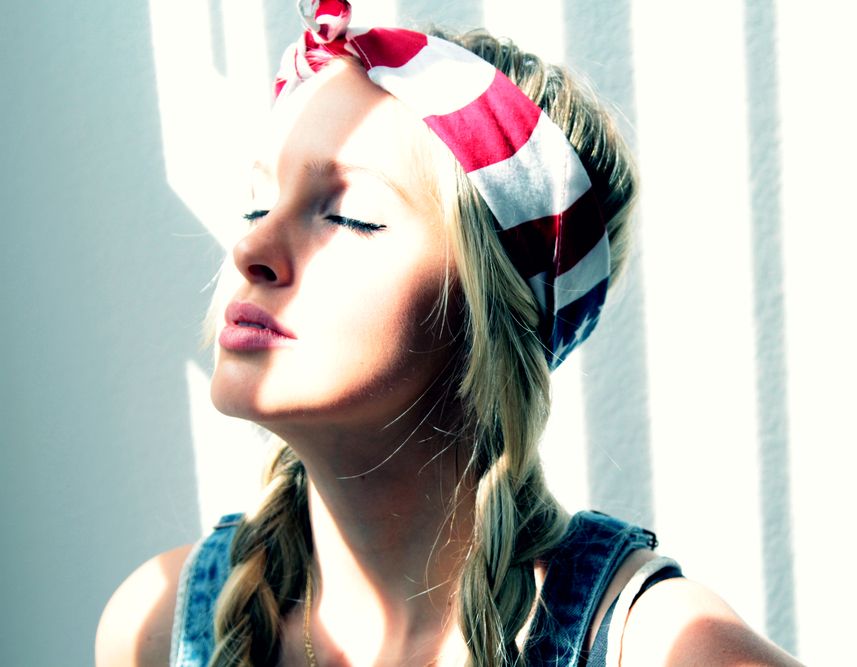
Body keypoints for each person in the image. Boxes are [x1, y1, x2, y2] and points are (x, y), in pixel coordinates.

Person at [96, 1, 804, 665]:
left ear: (490, 311)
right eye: (257, 205)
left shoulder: (659, 644)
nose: (252, 250)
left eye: (349, 214)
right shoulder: (156, 626)